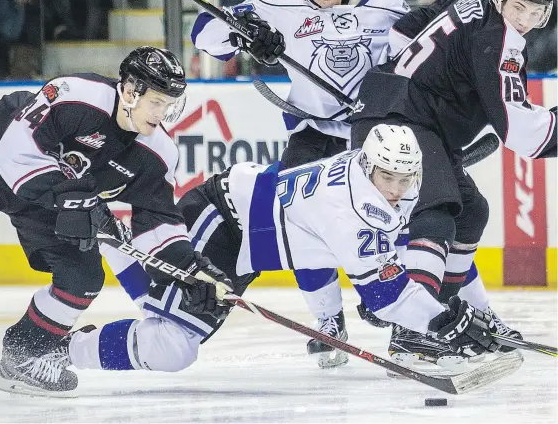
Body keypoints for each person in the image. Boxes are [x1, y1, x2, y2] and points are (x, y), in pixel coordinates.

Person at [62, 124, 502, 390]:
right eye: (388, 177)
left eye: (405, 178)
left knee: (166, 322)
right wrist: (443, 320)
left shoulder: (384, 178)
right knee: (171, 343)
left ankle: (113, 242)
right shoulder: (349, 206)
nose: (396, 188)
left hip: (248, 246)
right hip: (223, 221)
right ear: (368, 167)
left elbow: (415, 252)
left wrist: (461, 311)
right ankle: (63, 348)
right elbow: (388, 298)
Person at [192, 0, 411, 368]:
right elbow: (204, 34)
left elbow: (415, 56)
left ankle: (401, 314)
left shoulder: (386, 2)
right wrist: (246, 33)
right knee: (301, 228)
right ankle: (329, 323)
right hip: (313, 131)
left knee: (392, 219)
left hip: (372, 134)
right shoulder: (277, 2)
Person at [0, 46, 233, 397]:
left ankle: (23, 355)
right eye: (157, 102)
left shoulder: (157, 153)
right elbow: (15, 150)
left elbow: (158, 223)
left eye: (169, 105)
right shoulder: (78, 95)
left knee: (83, 277)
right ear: (130, 90)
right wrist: (71, 198)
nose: (162, 114)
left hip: (57, 197)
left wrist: (190, 270)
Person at [350, 0, 556, 366]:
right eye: (520, 8)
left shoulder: (473, 1)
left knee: (472, 212)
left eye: (538, 12)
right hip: (405, 121)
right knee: (437, 213)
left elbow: (404, 29)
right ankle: (413, 329)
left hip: (395, 107)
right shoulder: (500, 40)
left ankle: (460, 315)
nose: (527, 20)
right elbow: (519, 129)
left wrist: (408, 76)